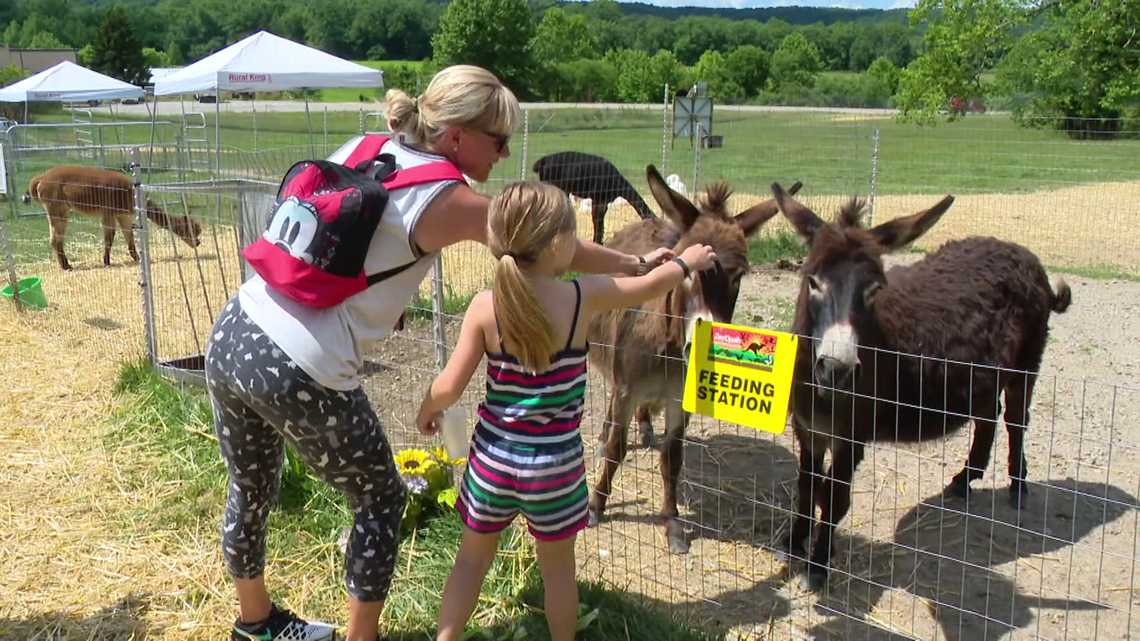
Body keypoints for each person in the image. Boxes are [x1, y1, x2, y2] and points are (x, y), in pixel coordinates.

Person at [204, 64, 677, 641]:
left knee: (251, 484)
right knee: (380, 498)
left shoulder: (370, 143)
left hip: (236, 326)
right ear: (457, 138)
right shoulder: (448, 197)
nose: (504, 155)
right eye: (498, 140)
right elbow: (552, 245)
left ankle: (254, 620)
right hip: (303, 361)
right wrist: (631, 263)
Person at [414, 181, 718, 641]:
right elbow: (651, 285)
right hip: (554, 466)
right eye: (573, 238)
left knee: (472, 560)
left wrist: (427, 408)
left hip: (493, 462)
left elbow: (448, 387)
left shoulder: (483, 306)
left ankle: (446, 638)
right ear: (557, 245)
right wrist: (684, 262)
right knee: (558, 573)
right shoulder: (582, 297)